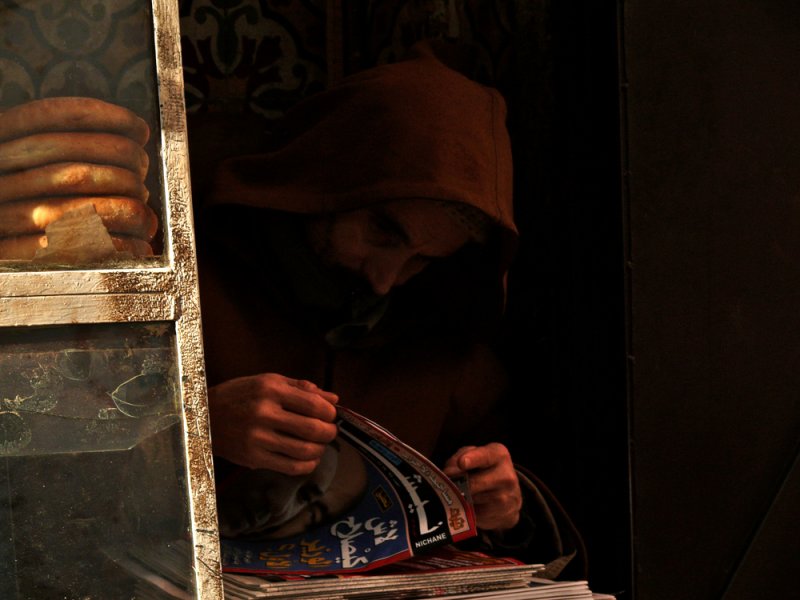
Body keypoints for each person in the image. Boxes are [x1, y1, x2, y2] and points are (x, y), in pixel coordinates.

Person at [194, 41, 585, 578]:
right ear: (326, 182)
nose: (385, 280)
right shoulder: (188, 287)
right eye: (382, 231)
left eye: (422, 260)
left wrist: (501, 504)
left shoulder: (444, 345)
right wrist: (196, 424)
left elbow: (499, 520)